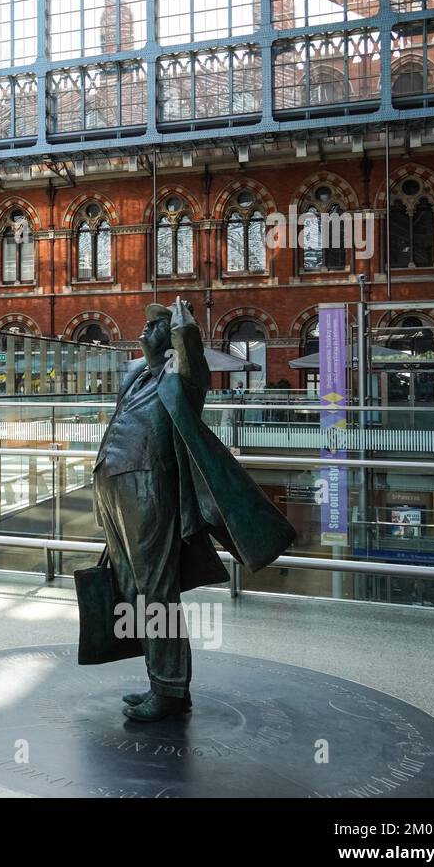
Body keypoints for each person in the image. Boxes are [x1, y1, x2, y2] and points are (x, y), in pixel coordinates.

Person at [89, 298, 296, 721]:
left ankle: (169, 689)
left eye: (155, 327)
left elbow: (191, 354)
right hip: (116, 490)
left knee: (154, 591)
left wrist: (181, 319)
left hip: (149, 489)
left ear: (170, 341)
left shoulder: (181, 378)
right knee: (130, 588)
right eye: (147, 326)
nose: (145, 331)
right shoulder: (138, 378)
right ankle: (158, 679)